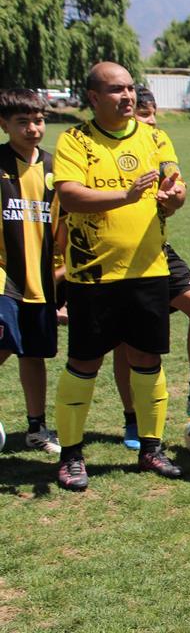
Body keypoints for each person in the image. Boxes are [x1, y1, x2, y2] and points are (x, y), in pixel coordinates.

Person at [53, 62, 187, 491]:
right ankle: (72, 455)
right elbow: (69, 195)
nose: (127, 96)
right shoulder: (75, 140)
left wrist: (173, 197)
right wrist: (126, 196)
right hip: (93, 274)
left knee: (147, 360)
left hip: (149, 269)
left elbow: (176, 186)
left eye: (130, 88)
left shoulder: (155, 137)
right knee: (84, 362)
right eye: (116, 90)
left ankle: (151, 449)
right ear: (94, 98)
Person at [110, 88, 190, 451]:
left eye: (152, 113)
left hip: (157, 250)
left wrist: (174, 198)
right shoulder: (111, 151)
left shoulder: (159, 145)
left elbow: (177, 188)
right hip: (116, 256)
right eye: (143, 114)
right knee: (126, 342)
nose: (150, 120)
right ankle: (133, 419)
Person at [0, 88, 63, 455]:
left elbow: (63, 229)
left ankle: (37, 428)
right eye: (22, 122)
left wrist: (62, 276)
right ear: (4, 124)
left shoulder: (55, 169)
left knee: (33, 354)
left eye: (38, 121)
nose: (33, 129)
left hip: (42, 280)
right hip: (4, 276)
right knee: (5, 340)